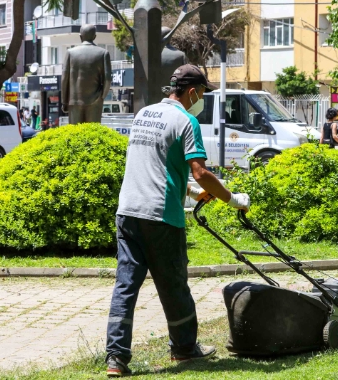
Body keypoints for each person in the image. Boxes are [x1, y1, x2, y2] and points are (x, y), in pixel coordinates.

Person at [105, 64, 251, 377]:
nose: (203, 99)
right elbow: (200, 170)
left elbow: (156, 166)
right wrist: (233, 199)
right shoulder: (186, 121)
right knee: (174, 285)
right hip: (160, 217)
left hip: (128, 212)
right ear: (193, 91)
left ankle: (116, 359)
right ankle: (185, 349)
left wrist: (193, 192)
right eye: (203, 93)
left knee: (125, 287)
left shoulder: (144, 114)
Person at [61, 24, 112, 124]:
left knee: (75, 134)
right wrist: (102, 96)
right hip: (95, 99)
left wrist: (64, 101)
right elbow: (108, 79)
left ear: (80, 36)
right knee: (93, 133)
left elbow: (64, 79)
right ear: (94, 37)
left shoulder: (70, 53)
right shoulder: (103, 53)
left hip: (74, 100)